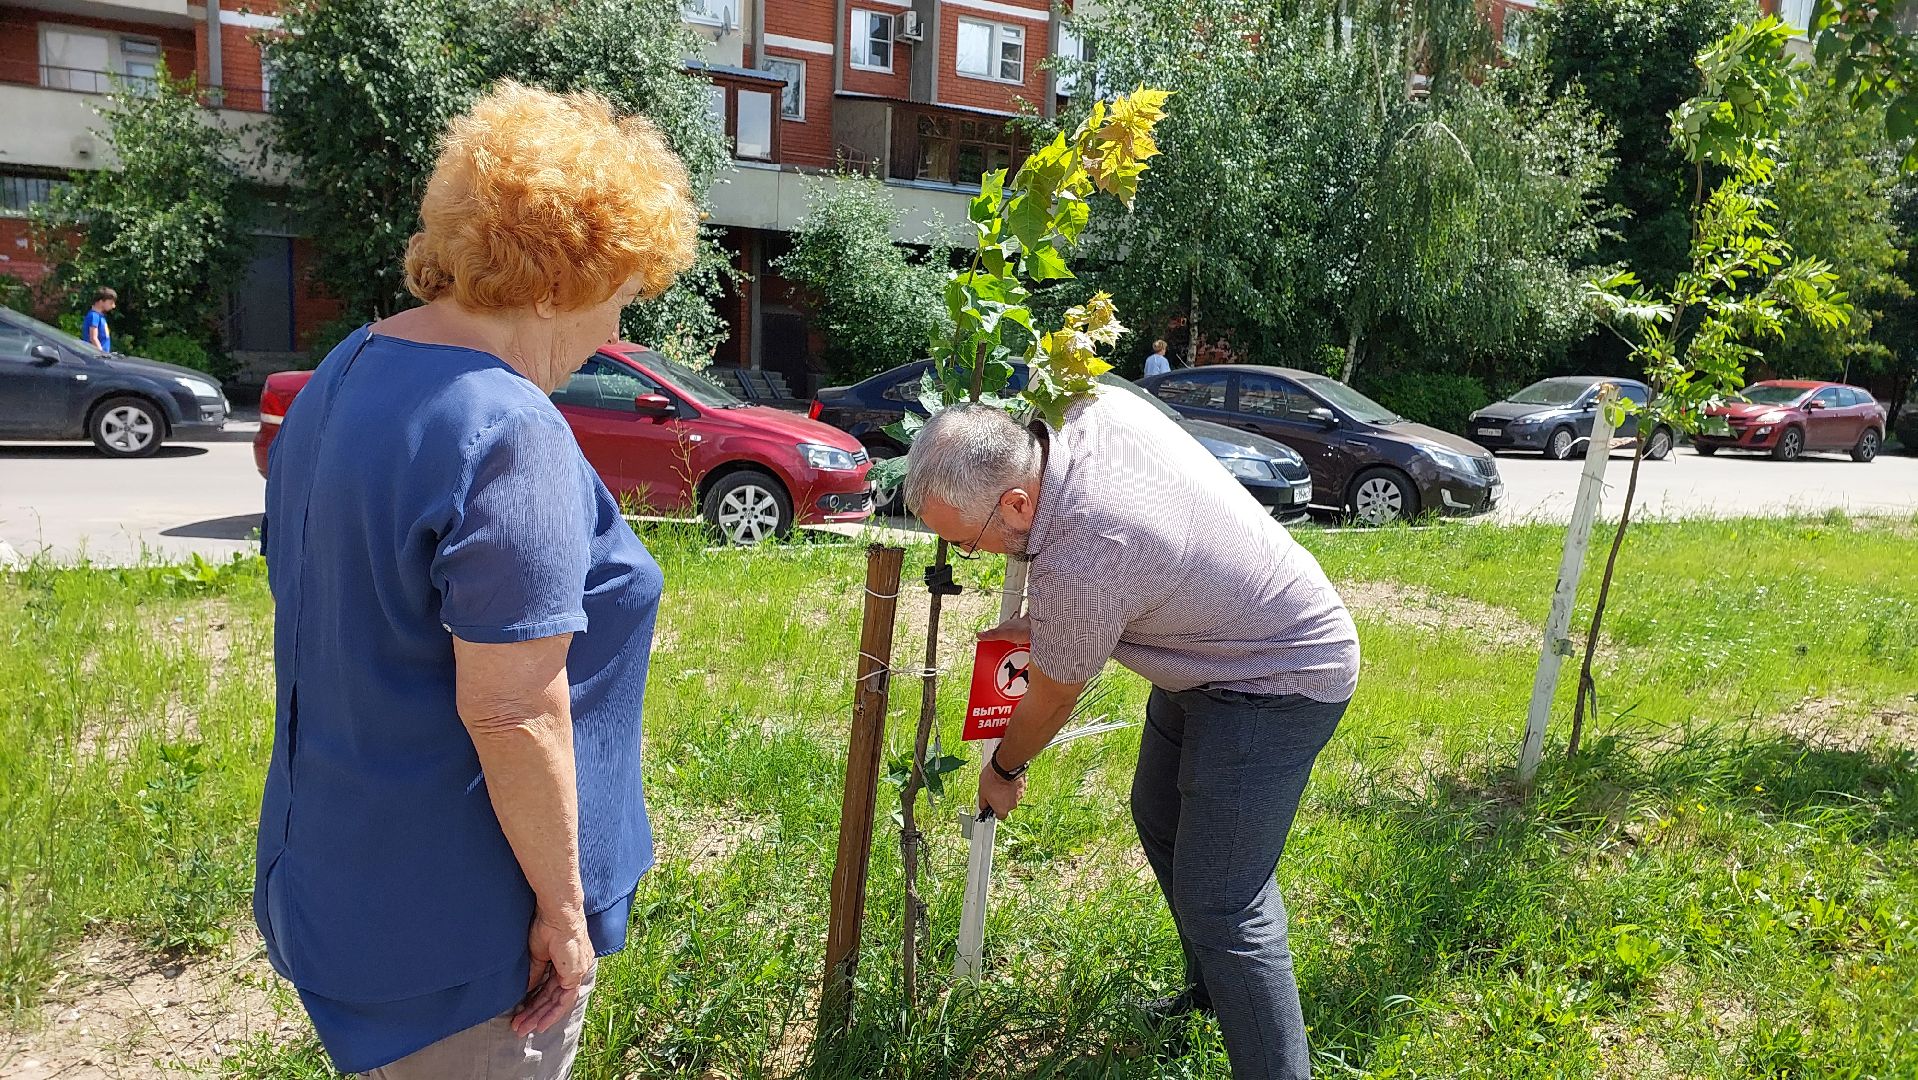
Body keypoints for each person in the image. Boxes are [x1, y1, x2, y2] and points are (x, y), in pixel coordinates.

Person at [254, 81, 697, 1078]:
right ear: (552, 281)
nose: (618, 329)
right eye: (618, 292)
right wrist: (563, 911)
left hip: (335, 880)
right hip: (465, 929)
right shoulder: (507, 425)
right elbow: (513, 711)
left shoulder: (344, 370)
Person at [903, 390, 1360, 1080]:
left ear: (1019, 505)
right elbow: (1109, 584)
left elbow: (1055, 691)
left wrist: (1003, 767)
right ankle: (1212, 997)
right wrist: (1058, 620)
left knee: (1226, 904)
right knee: (1159, 814)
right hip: (1208, 647)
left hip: (1278, 675)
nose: (970, 555)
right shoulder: (1077, 408)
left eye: (967, 542)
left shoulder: (1090, 551)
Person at [82, 287, 115, 352]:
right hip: (96, 355)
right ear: (101, 301)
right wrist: (102, 354)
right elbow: (93, 338)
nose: (113, 306)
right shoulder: (94, 316)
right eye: (111, 303)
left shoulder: (100, 316)